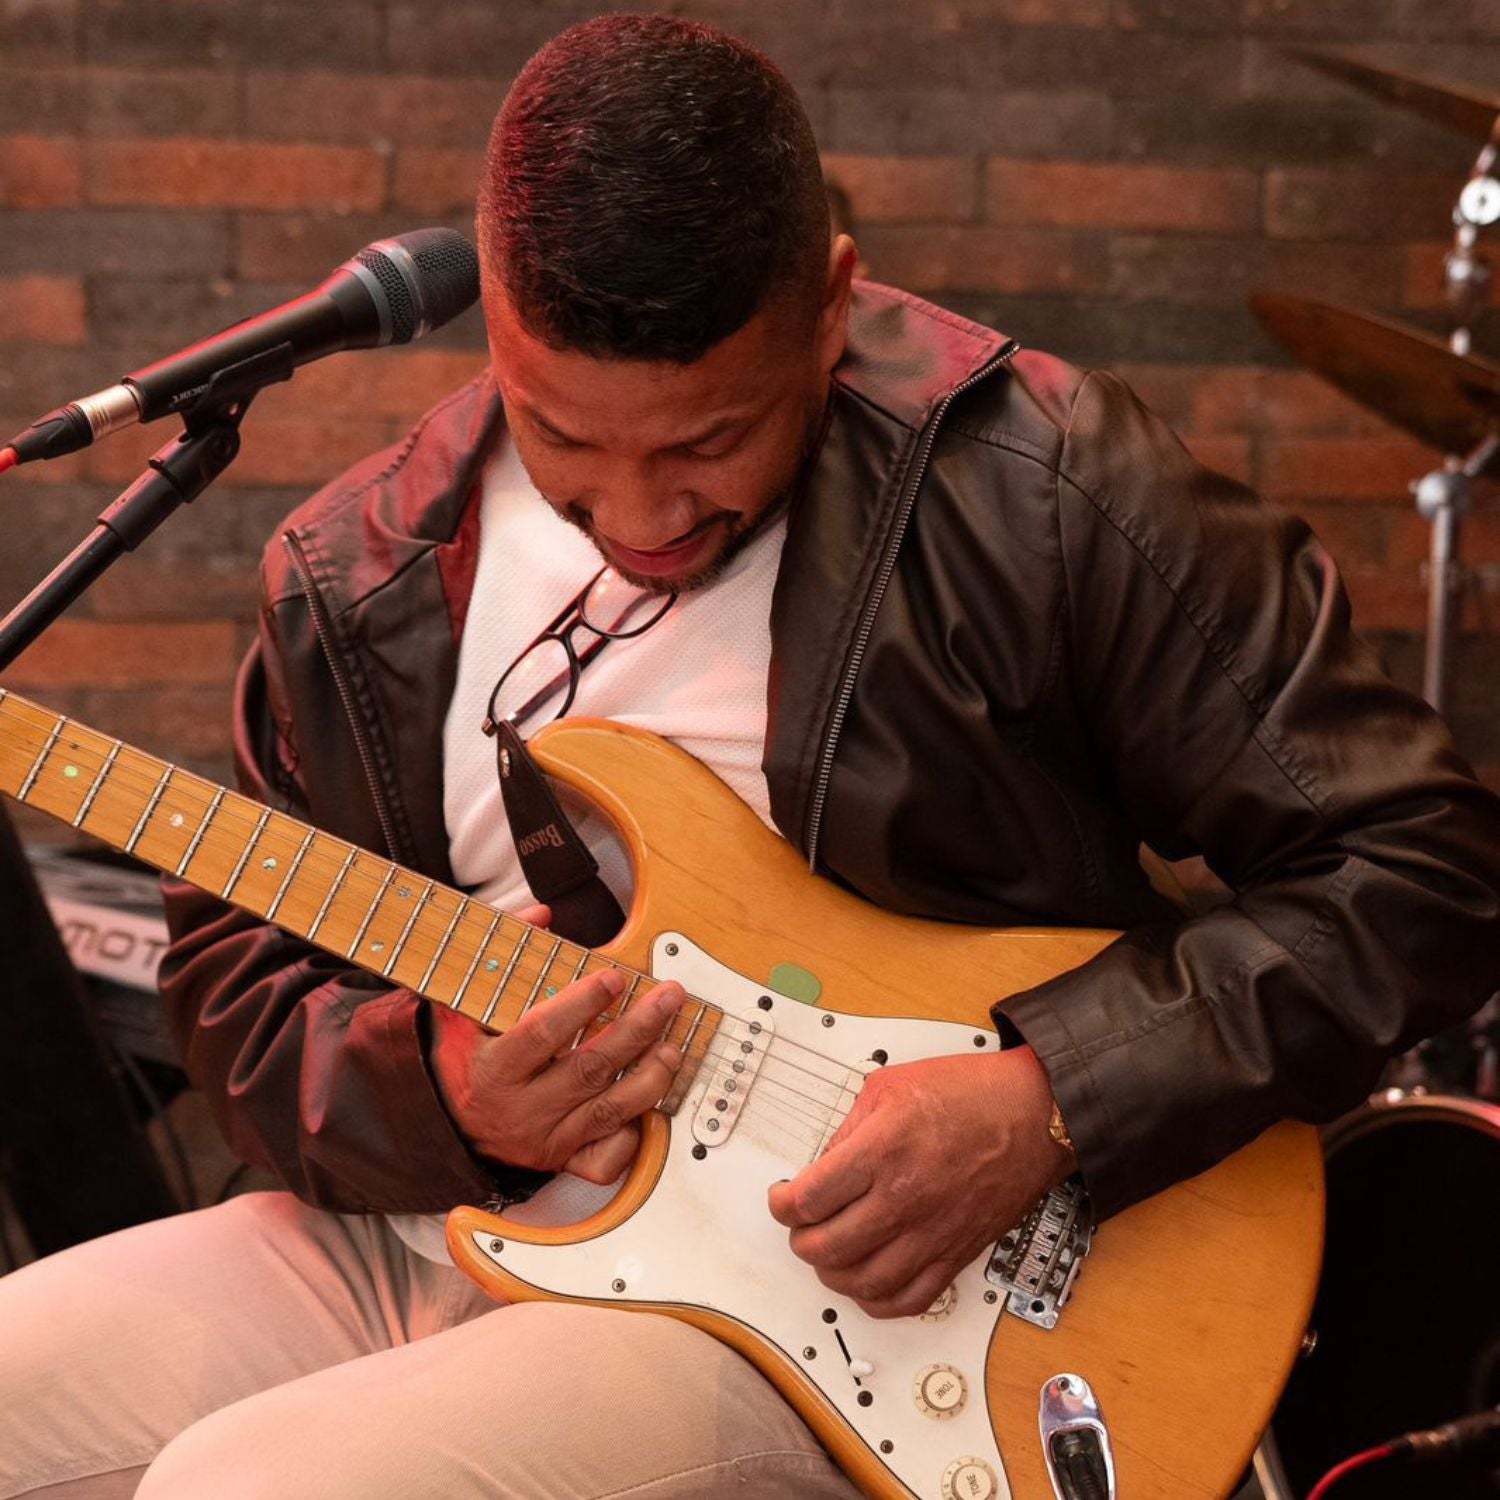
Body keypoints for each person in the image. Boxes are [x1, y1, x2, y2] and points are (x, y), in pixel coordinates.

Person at [2, 14, 1498, 1499]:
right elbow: (232, 985)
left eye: (710, 441)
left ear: (831, 304)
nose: (643, 513)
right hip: (447, 1227)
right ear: (498, 322)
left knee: (257, 1488)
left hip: (848, 1311)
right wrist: (447, 1096)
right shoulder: (361, 566)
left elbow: (1421, 865)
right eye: (566, 442)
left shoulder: (1045, 490)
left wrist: (1052, 1097)